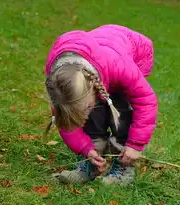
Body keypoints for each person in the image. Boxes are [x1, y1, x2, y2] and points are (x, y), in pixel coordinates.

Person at [44, 24, 158, 185]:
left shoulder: (121, 67)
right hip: (100, 63)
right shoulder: (59, 84)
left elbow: (146, 101)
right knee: (92, 115)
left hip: (132, 54)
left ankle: (124, 167)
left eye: (86, 107)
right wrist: (87, 149)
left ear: (93, 87)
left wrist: (136, 145)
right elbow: (67, 121)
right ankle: (92, 163)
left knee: (121, 112)